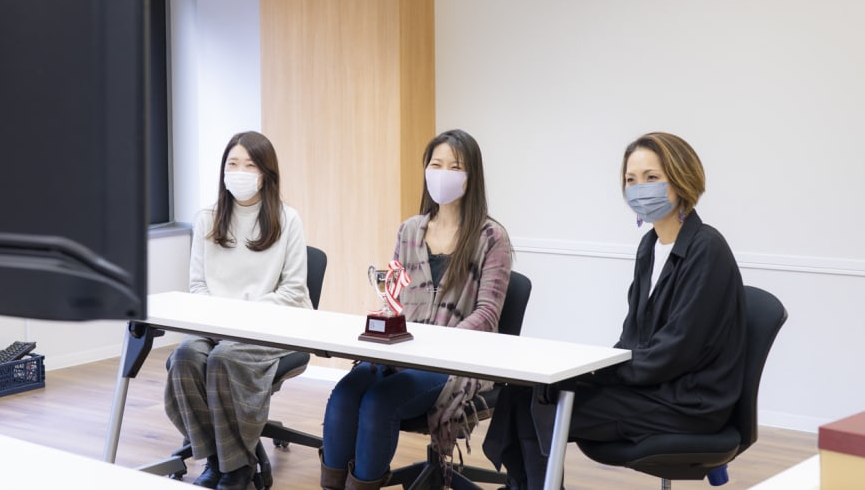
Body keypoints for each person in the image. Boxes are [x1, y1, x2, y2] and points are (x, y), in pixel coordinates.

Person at [483, 132, 746, 489]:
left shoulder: (707, 249)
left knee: (541, 407)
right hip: (652, 387)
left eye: (651, 178)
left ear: (681, 178)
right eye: (630, 180)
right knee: (524, 392)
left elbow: (677, 350)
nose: (639, 189)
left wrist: (603, 374)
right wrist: (590, 369)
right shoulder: (649, 246)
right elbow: (632, 336)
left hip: (687, 402)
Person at [320, 129, 513, 490]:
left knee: (380, 401)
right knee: (345, 394)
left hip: (455, 362)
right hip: (402, 352)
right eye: (436, 165)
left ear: (472, 176)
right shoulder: (409, 230)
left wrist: (435, 345)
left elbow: (487, 315)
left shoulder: (491, 238)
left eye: (455, 167)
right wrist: (383, 326)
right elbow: (392, 296)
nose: (443, 174)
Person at [164, 131, 311, 490]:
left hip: (273, 325)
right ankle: (221, 461)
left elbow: (293, 292)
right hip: (215, 325)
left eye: (250, 165)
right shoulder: (207, 219)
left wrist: (240, 321)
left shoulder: (287, 219)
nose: (239, 172)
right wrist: (220, 323)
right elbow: (198, 286)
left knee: (223, 359)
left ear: (265, 174)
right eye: (233, 164)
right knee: (184, 356)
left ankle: (235, 469)